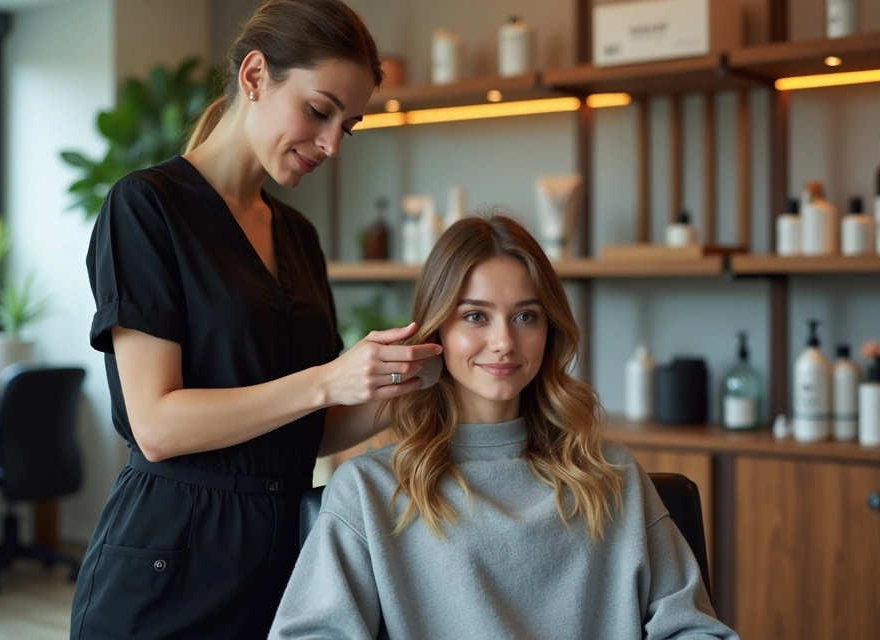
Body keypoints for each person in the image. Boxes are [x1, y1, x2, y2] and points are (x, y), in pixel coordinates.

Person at [69, 1, 441, 638]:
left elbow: (307, 432)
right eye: (319, 110)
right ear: (254, 76)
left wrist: (415, 380)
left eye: (346, 126)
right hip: (171, 557)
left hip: (286, 558)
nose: (330, 144)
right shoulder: (147, 207)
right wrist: (328, 379)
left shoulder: (297, 235)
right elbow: (156, 425)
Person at [270, 214, 738, 639]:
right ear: (436, 333)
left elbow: (692, 630)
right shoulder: (370, 491)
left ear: (548, 331)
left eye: (525, 317)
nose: (503, 342)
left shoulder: (612, 476)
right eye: (475, 316)